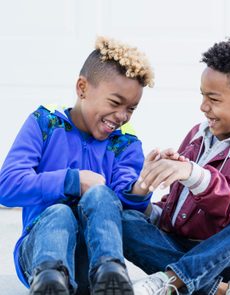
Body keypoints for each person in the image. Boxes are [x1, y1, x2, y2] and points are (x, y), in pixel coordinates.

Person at [121, 36, 230, 295]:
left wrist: (193, 174)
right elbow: (177, 206)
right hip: (183, 251)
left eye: (214, 99)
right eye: (202, 95)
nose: (203, 106)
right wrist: (146, 198)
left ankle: (172, 281)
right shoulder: (198, 135)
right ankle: (223, 291)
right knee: (124, 220)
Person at [0, 36, 154, 295]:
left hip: (92, 260)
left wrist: (140, 188)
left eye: (131, 108)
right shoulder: (45, 123)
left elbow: (125, 211)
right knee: (59, 213)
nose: (122, 116)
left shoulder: (125, 144)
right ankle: (50, 281)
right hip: (39, 257)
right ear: (82, 88)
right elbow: (7, 185)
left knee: (102, 195)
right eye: (115, 103)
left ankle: (111, 273)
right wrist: (71, 181)